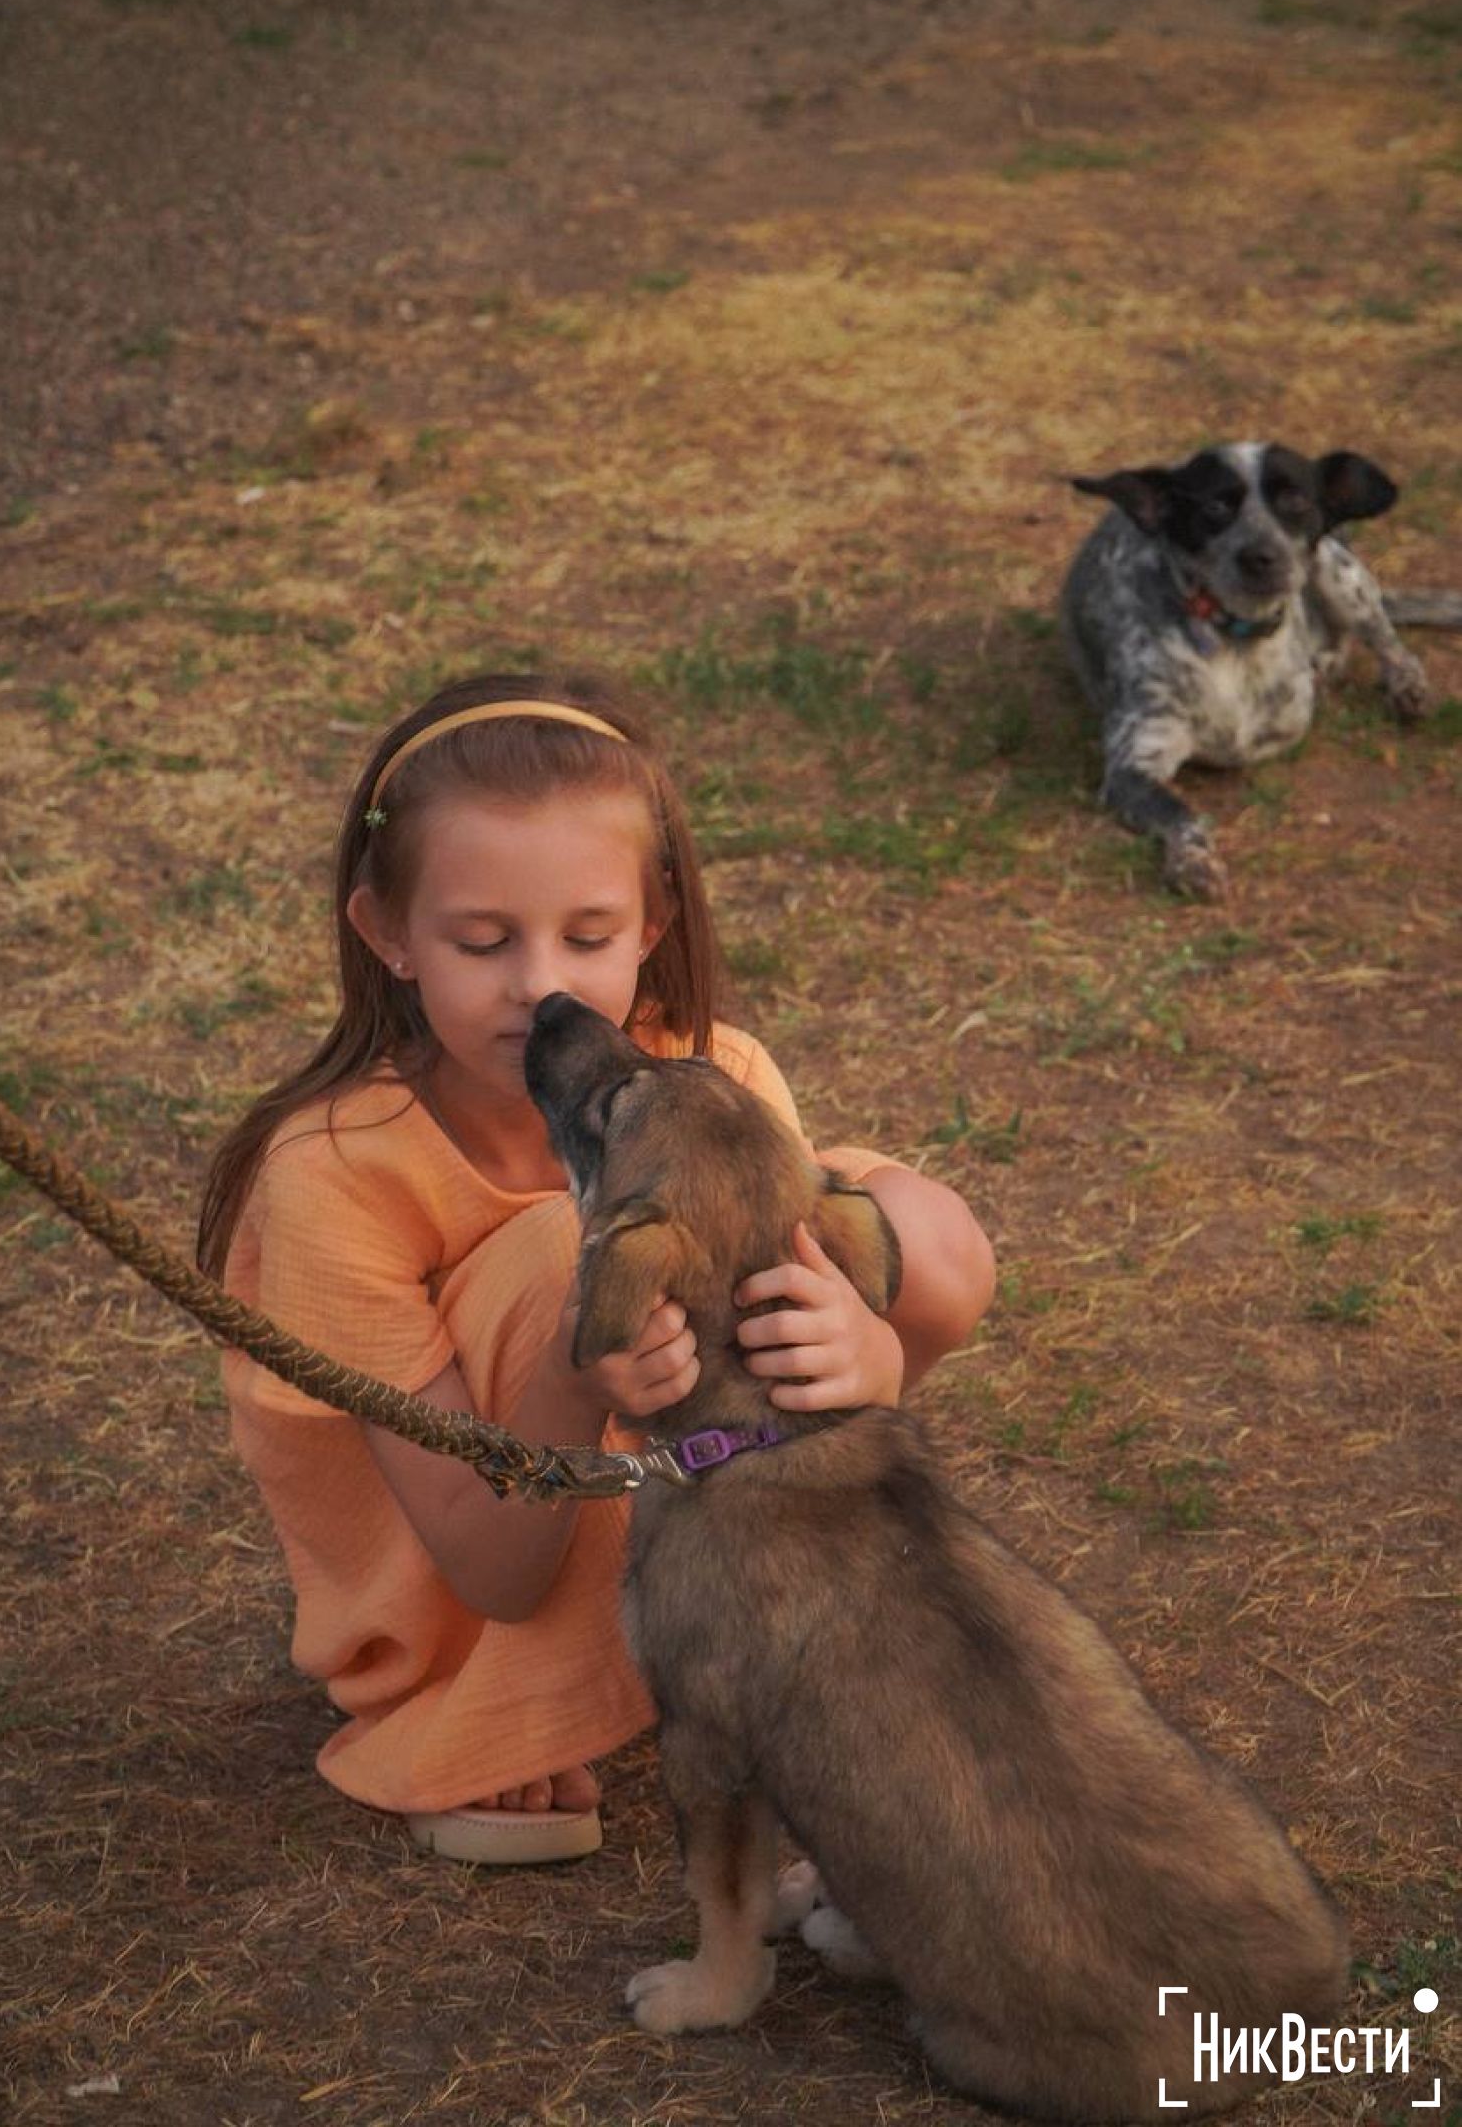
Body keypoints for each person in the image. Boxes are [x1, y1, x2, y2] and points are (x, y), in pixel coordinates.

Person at [199, 670, 995, 1866]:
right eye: (482, 940)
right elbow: (488, 1566)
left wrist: (867, 1354)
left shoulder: (714, 1072)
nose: (541, 986)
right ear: (387, 934)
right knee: (553, 1246)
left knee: (921, 1236)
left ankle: (736, 1635)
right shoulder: (335, 1173)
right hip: (482, 1576)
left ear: (655, 923)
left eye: (589, 936)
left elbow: (814, 1405)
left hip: (712, 1510)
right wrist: (580, 1381)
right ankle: (506, 1698)